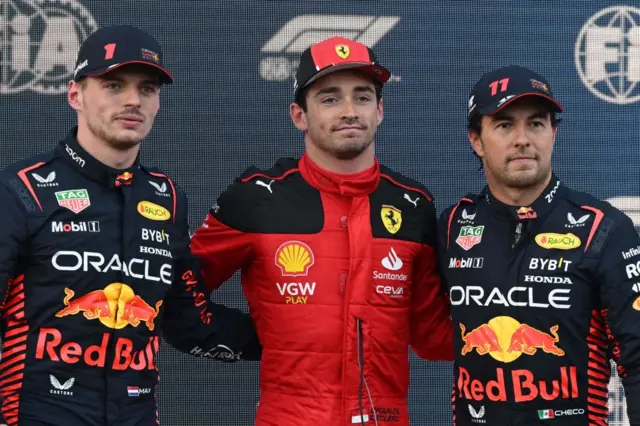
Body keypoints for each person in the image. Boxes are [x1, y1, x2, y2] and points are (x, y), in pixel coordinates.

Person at [0, 25, 261, 426]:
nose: (132, 100)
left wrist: (302, 337)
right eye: (114, 85)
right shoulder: (23, 189)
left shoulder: (166, 197)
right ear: (76, 95)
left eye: (147, 89)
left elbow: (189, 322)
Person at [190, 36, 453, 426]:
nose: (349, 111)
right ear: (299, 115)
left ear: (380, 110)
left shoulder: (413, 205)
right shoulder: (257, 196)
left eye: (362, 97)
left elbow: (432, 336)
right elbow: (176, 291)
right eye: (330, 98)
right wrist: (254, 341)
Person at [439, 65, 640, 425]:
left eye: (536, 123)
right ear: (476, 140)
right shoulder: (453, 226)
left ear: (553, 133)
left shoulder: (603, 229)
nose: (523, 139)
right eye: (504, 125)